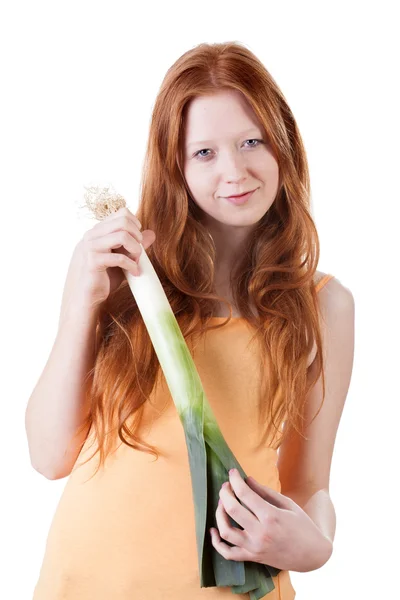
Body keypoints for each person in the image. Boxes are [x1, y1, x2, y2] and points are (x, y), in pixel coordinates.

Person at [26, 41, 355, 600]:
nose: (235, 170)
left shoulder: (324, 305)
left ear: (284, 146)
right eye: (204, 152)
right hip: (80, 585)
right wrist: (80, 303)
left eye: (252, 141)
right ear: (173, 164)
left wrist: (317, 545)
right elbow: (49, 454)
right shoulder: (124, 277)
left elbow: (307, 484)